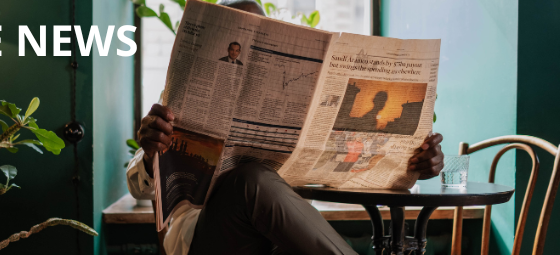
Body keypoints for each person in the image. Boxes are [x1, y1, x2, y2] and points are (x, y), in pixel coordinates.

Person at [127, 1, 445, 254]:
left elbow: (349, 171)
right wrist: (148, 154)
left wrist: (413, 164)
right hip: (209, 239)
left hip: (282, 239)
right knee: (248, 181)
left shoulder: (304, 97)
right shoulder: (182, 97)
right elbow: (139, 189)